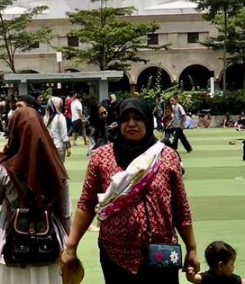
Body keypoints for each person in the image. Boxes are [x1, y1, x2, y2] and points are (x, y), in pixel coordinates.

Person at [61, 98, 199, 284]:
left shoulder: (167, 156)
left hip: (162, 252)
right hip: (116, 254)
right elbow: (86, 204)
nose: (131, 123)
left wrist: (192, 248)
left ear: (148, 121)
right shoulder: (101, 157)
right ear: (119, 123)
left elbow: (180, 207)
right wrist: (71, 246)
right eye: (126, 119)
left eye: (138, 118)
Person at [0, 106, 70, 283]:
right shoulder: (57, 168)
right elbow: (64, 212)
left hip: (12, 239)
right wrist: (70, 245)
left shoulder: (6, 168)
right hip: (49, 240)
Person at [45, 97, 70, 162]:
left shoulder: (45, 118)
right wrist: (68, 148)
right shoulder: (60, 117)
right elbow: (64, 134)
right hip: (59, 146)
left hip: (47, 147)